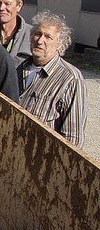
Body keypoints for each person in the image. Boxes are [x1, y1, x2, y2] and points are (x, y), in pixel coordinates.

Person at [18, 10, 87, 147]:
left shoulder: (71, 79)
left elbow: (73, 137)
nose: (40, 40)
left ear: (60, 45)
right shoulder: (19, 68)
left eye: (48, 37)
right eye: (37, 34)